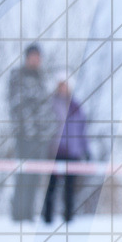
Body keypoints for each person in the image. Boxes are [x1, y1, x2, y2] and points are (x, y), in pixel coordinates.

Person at [8, 44, 57, 222]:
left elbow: (47, 109)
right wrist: (30, 130)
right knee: (24, 176)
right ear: (27, 57)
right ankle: (18, 215)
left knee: (35, 178)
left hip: (41, 139)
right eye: (33, 56)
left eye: (39, 57)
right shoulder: (17, 77)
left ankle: (28, 215)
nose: (36, 60)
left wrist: (48, 130)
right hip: (25, 137)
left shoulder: (42, 79)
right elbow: (18, 107)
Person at [42, 77, 90, 224]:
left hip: (73, 153)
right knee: (52, 187)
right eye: (61, 85)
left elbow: (82, 131)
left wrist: (85, 150)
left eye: (65, 85)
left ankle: (69, 219)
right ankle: (47, 219)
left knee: (70, 189)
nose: (63, 88)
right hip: (56, 151)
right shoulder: (51, 104)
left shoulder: (76, 106)